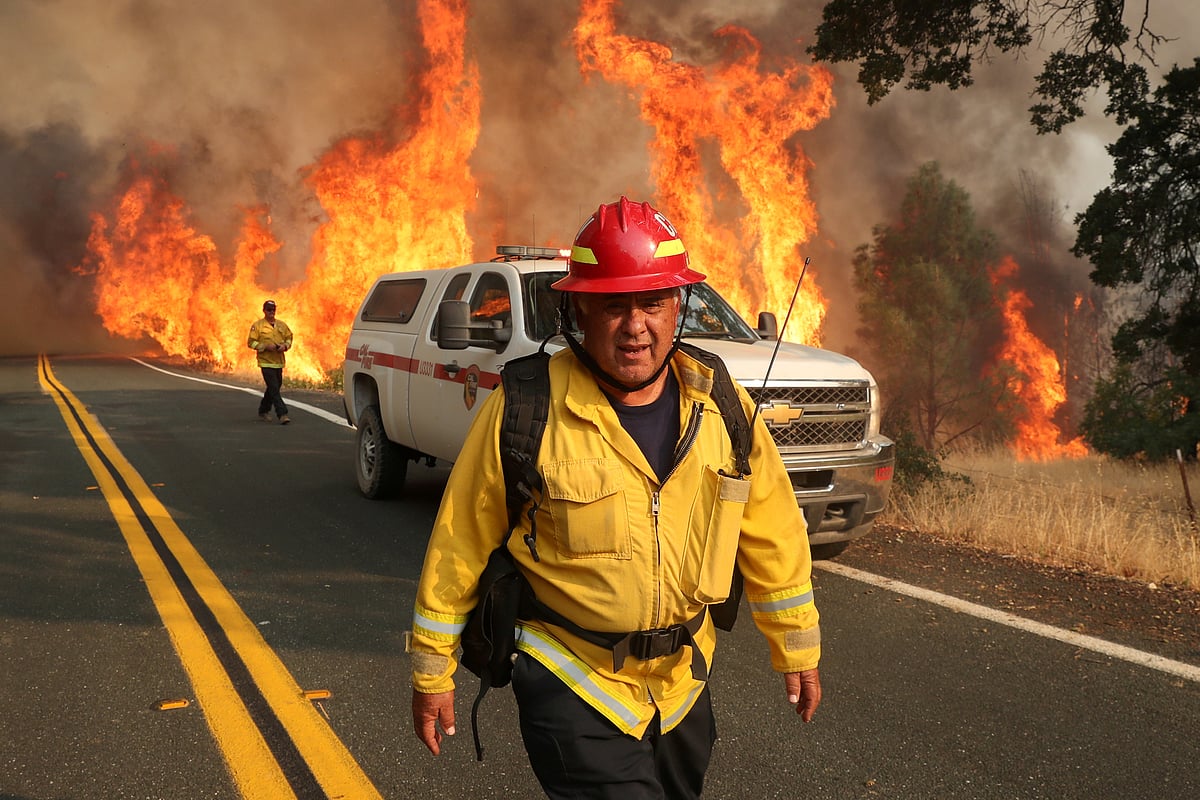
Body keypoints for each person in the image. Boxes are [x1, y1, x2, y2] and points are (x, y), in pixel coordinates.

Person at [409, 197, 821, 798]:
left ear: (677, 307)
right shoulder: (526, 406)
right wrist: (431, 668)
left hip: (681, 684)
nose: (635, 326)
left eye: (652, 302)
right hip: (571, 679)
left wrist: (796, 643)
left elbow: (773, 530)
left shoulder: (718, 406)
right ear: (578, 309)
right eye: (612, 305)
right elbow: (459, 543)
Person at [247, 299, 293, 425]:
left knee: (274, 387)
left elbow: (289, 337)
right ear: (264, 311)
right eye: (269, 310)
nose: (271, 312)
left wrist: (285, 346)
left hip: (278, 362)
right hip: (265, 362)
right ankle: (282, 413)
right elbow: (251, 342)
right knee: (274, 387)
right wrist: (265, 346)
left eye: (273, 310)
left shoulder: (282, 325)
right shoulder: (258, 326)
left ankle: (263, 410)